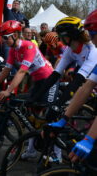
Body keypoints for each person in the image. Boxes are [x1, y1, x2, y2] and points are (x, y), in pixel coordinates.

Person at [0, 20, 59, 160]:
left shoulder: (28, 47)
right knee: (31, 117)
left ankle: (56, 154)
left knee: (50, 116)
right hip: (38, 81)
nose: (3, 40)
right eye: (2, 37)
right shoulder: (13, 50)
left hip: (50, 80)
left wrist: (8, 91)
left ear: (15, 35)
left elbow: (21, 72)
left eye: (5, 37)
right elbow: (6, 69)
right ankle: (32, 150)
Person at [45, 10, 97, 162]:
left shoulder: (92, 51)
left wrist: (89, 139)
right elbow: (86, 87)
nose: (90, 39)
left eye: (92, 35)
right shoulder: (70, 49)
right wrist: (63, 118)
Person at [31, 16, 97, 121]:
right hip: (88, 80)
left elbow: (77, 81)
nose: (59, 39)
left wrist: (58, 104)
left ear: (69, 36)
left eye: (60, 36)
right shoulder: (70, 49)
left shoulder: (91, 50)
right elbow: (55, 74)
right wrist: (35, 97)